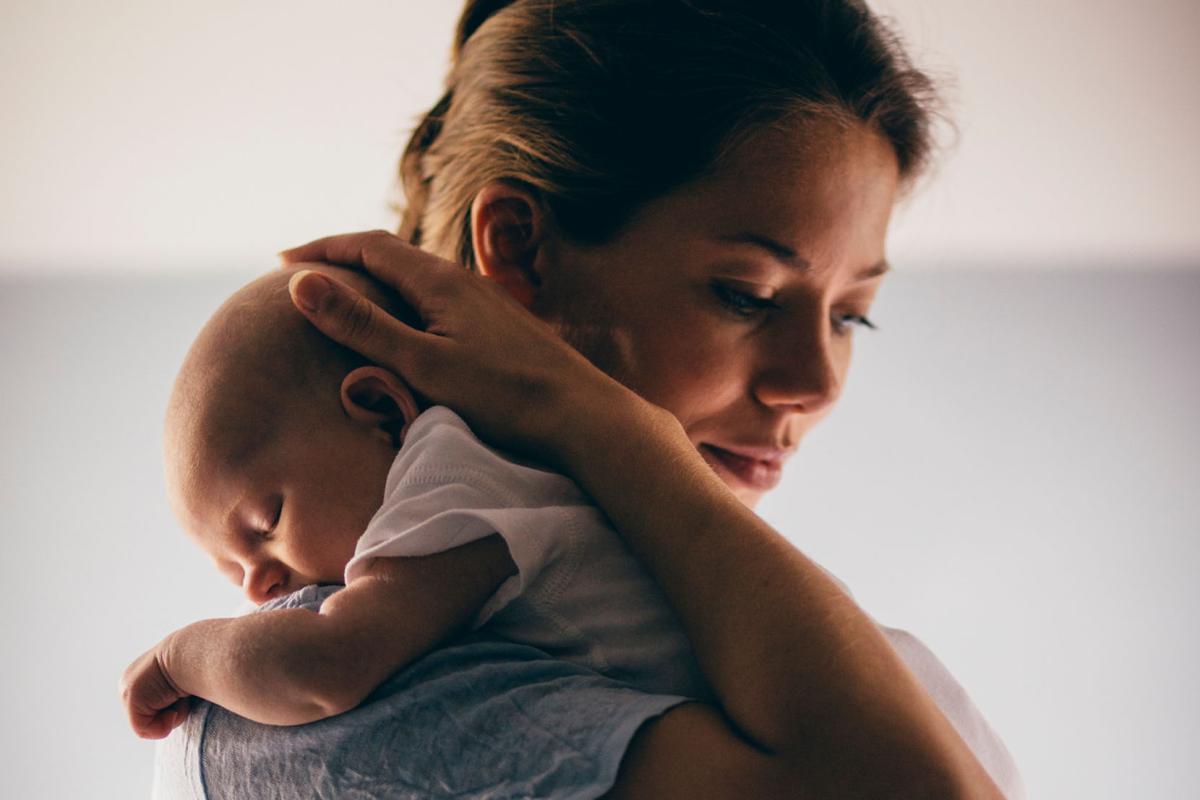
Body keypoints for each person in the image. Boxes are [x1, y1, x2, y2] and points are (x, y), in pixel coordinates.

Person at [155, 0, 1027, 797]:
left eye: (852, 318)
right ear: (522, 251)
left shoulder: (707, 626)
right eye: (747, 294)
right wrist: (607, 425)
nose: (817, 382)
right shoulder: (291, 713)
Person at [121, 264, 707, 740]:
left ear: (381, 411)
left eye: (266, 523)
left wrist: (182, 659)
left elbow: (325, 669)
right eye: (233, 572)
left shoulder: (453, 485)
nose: (258, 589)